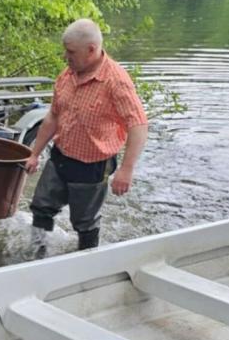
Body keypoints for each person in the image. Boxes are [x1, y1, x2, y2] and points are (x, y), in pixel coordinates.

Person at [24, 18, 148, 255]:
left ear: (91, 50)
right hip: (60, 157)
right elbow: (53, 116)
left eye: (70, 52)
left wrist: (126, 169)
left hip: (92, 166)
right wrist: (34, 153)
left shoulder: (116, 82)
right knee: (41, 207)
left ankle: (86, 264)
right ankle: (36, 254)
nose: (65, 56)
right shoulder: (68, 74)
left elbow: (139, 125)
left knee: (84, 223)